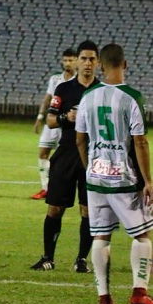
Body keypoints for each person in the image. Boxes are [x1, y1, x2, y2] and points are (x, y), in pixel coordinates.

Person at [74, 43, 153, 304]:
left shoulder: (88, 97)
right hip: (124, 178)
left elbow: (79, 139)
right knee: (142, 236)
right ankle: (139, 292)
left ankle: (104, 298)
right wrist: (149, 181)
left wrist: (89, 168)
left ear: (100, 66)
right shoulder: (132, 98)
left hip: (95, 176)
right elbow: (140, 142)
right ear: (125, 64)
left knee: (101, 237)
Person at [30, 40, 100, 273]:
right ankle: (47, 257)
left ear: (98, 62)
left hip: (94, 156)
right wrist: (65, 118)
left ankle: (81, 260)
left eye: (92, 59)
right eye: (84, 58)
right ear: (77, 61)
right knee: (54, 208)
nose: (87, 63)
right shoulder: (64, 89)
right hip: (67, 152)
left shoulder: (103, 91)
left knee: (88, 210)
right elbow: (51, 119)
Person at [30, 48, 77, 200]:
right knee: (43, 152)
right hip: (52, 122)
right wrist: (39, 117)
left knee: (63, 158)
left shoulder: (79, 81)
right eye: (65, 60)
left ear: (76, 61)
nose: (67, 63)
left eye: (71, 60)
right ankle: (45, 188)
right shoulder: (55, 79)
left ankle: (60, 187)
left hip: (68, 126)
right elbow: (48, 98)